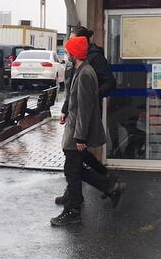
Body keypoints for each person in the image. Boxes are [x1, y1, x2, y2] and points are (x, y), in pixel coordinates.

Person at [51, 36, 124, 227]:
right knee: (76, 168)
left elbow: (85, 109)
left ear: (74, 54)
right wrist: (66, 111)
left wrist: (80, 137)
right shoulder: (81, 70)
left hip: (77, 131)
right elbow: (75, 101)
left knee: (72, 170)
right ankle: (109, 186)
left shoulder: (85, 74)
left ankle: (73, 211)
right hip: (75, 129)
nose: (66, 55)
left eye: (68, 52)